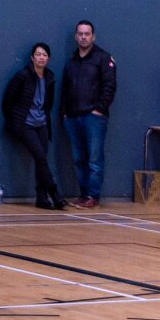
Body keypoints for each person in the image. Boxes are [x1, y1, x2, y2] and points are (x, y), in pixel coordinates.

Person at [3, 42, 66, 209]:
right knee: (40, 157)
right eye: (38, 54)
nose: (41, 58)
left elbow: (48, 103)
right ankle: (54, 192)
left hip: (42, 123)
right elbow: (8, 100)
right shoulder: (22, 76)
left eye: (44, 55)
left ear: (49, 59)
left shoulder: (50, 78)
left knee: (41, 160)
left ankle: (42, 197)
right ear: (32, 57)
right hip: (26, 124)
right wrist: (16, 120)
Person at [60, 20, 116, 209]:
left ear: (93, 36)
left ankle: (93, 196)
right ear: (76, 36)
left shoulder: (103, 58)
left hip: (94, 117)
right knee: (79, 159)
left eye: (87, 34)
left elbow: (109, 86)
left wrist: (99, 109)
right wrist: (65, 113)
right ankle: (83, 195)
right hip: (72, 117)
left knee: (94, 159)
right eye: (80, 34)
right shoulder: (71, 62)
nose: (83, 37)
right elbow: (65, 89)